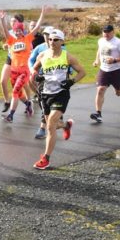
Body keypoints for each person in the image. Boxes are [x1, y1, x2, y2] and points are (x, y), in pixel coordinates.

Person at [31, 29, 85, 170]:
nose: (52, 42)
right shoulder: (43, 55)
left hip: (61, 93)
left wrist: (71, 82)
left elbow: (82, 72)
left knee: (50, 125)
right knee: (53, 124)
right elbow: (34, 69)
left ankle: (46, 158)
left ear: (62, 41)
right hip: (45, 94)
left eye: (56, 40)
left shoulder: (67, 56)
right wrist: (37, 76)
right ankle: (66, 125)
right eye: (50, 39)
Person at [0, 7, 47, 122]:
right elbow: (6, 31)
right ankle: (28, 104)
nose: (18, 32)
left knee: (15, 92)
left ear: (22, 30)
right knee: (19, 94)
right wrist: (2, 20)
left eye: (20, 30)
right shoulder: (11, 41)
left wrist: (42, 14)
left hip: (24, 72)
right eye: (16, 31)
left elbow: (37, 27)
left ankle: (10, 115)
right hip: (13, 72)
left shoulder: (28, 39)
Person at [90, 25, 120, 123]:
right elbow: (99, 50)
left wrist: (114, 60)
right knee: (100, 90)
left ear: (113, 32)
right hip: (104, 70)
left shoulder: (119, 42)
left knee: (118, 92)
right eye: (104, 32)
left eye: (108, 32)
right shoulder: (101, 41)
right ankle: (98, 114)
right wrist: (97, 60)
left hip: (117, 71)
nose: (106, 34)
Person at [0, 14, 25, 113]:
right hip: (10, 59)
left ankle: (28, 102)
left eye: (14, 21)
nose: (12, 23)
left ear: (19, 23)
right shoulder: (10, 32)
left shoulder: (23, 33)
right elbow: (8, 43)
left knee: (18, 87)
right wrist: (5, 46)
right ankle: (7, 102)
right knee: (2, 81)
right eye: (11, 21)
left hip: (19, 63)